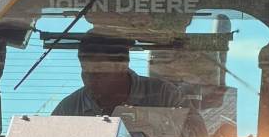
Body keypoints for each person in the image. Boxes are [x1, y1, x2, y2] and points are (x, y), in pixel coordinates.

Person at [53, 36, 185, 117]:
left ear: (122, 66)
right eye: (85, 70)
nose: (89, 79)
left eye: (99, 71)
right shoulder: (68, 110)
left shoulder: (164, 96)